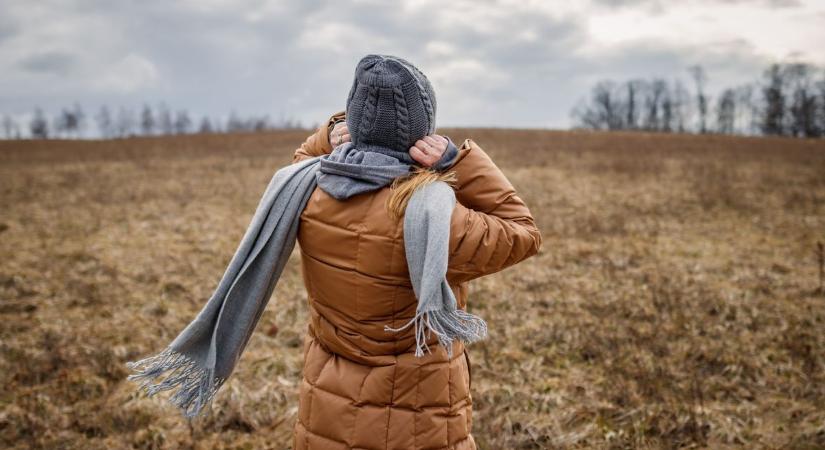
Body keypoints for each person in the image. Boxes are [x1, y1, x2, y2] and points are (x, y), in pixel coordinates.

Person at [290, 55, 542, 450]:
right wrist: (459, 160)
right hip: (420, 421)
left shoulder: (309, 192)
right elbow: (522, 231)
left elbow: (302, 160)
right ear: (422, 132)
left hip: (328, 411)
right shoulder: (434, 215)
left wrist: (331, 132)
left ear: (356, 125)